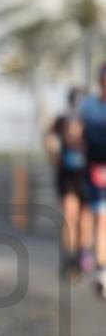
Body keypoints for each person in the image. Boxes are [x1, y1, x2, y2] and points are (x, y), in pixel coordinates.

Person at [44, 88, 94, 279]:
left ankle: (83, 251)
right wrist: (54, 154)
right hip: (67, 175)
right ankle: (69, 256)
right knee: (69, 214)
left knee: (85, 218)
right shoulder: (61, 120)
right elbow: (49, 139)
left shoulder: (91, 120)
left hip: (87, 174)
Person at [79, 63, 106, 298]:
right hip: (96, 169)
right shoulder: (89, 106)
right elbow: (78, 134)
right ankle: (101, 269)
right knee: (100, 217)